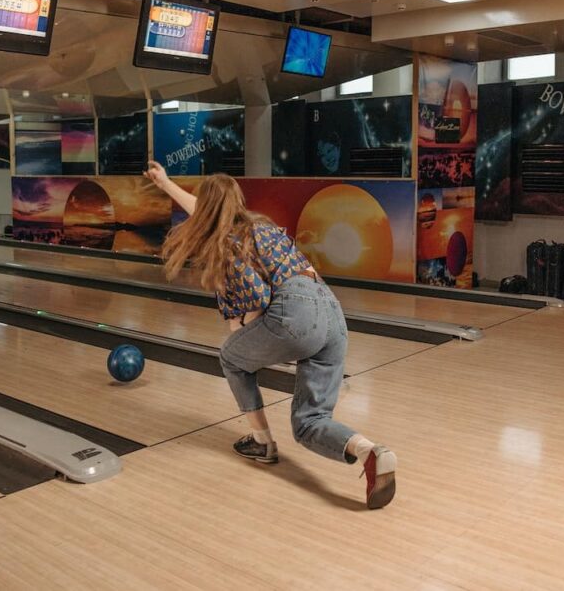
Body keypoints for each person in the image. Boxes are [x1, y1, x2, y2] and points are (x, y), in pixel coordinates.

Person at [143, 161, 397, 510]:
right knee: (309, 422)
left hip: (295, 313)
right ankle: (371, 452)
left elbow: (259, 302)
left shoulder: (228, 248)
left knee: (231, 357)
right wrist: (166, 184)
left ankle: (262, 442)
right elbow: (206, 212)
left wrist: (247, 335)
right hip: (331, 311)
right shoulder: (259, 226)